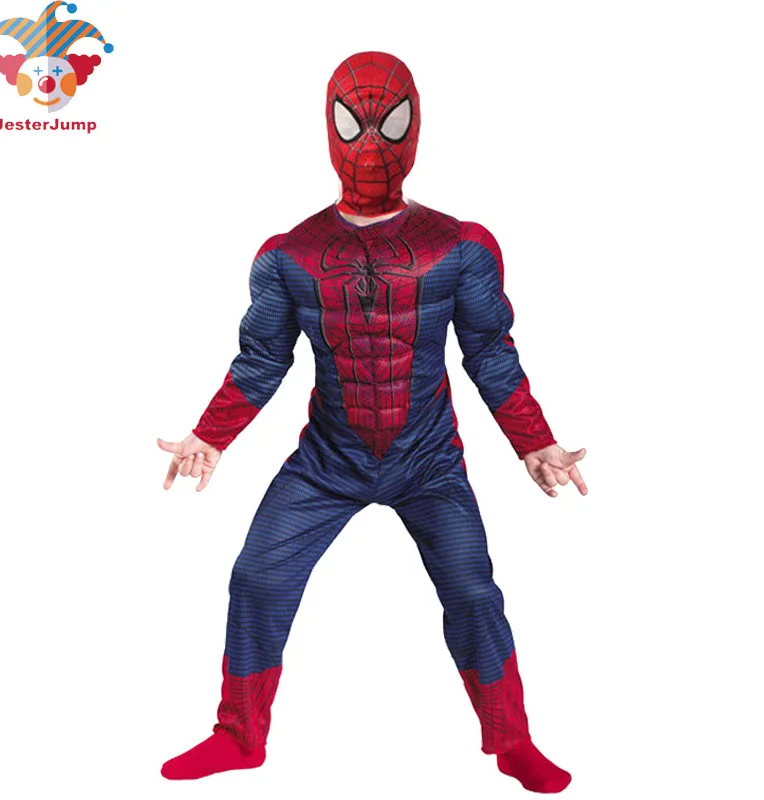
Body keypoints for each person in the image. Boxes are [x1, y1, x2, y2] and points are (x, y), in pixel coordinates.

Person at [157, 51, 587, 794]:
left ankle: (513, 743)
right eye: (353, 124)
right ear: (328, 128)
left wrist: (534, 440)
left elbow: (490, 351)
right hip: (329, 460)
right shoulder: (288, 255)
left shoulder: (460, 245)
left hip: (429, 461)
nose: (370, 145)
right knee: (256, 577)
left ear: (415, 127)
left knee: (473, 593)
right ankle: (238, 737)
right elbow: (262, 359)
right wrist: (211, 435)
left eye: (389, 125)